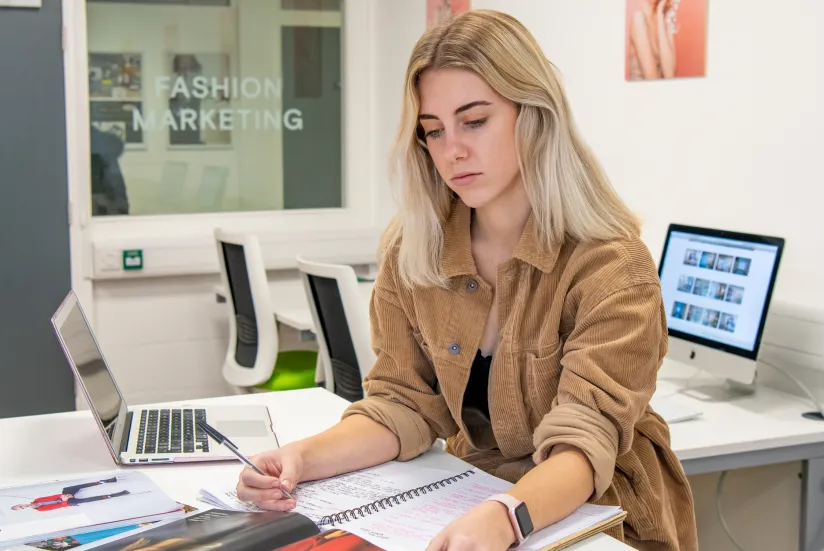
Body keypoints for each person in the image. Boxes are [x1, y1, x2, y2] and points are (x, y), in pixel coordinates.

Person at [236, 9, 698, 551]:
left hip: (597, 518)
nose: (451, 150)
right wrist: (300, 459)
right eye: (433, 131)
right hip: (471, 498)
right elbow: (402, 402)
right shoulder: (416, 252)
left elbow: (583, 441)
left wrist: (504, 516)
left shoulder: (612, 265)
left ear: (534, 114)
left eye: (474, 121)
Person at [13, 477, 129, 512]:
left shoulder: (37, 500)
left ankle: (102, 481)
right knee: (80, 501)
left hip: (63, 497)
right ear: (23, 510)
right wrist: (65, 500)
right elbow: (57, 506)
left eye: (21, 505)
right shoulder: (40, 509)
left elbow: (53, 497)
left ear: (21, 503)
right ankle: (111, 495)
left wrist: (63, 496)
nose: (23, 506)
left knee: (68, 488)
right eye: (21, 508)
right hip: (66, 503)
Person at [628, 0, 677, 80]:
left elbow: (670, 74)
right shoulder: (638, 18)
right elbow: (651, 79)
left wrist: (660, 13)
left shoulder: (665, 17)